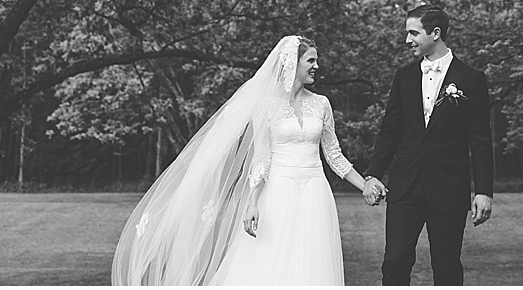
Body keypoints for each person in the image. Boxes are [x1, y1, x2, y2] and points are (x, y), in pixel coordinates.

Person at [112, 35, 372, 285]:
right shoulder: (265, 106)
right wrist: (252, 203)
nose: (317, 66)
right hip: (279, 191)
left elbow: (334, 155)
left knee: (314, 260)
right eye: (311, 61)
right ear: (292, 63)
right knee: (272, 262)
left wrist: (365, 186)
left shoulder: (322, 104)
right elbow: (261, 158)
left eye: (316, 60)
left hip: (316, 191)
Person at [363, 4, 494, 285]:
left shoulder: (471, 79)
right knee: (395, 261)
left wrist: (484, 190)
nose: (407, 40)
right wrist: (373, 174)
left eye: (413, 33)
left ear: (435, 33)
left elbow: (481, 139)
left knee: (446, 266)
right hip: (405, 186)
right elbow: (390, 131)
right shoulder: (404, 76)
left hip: (448, 188)